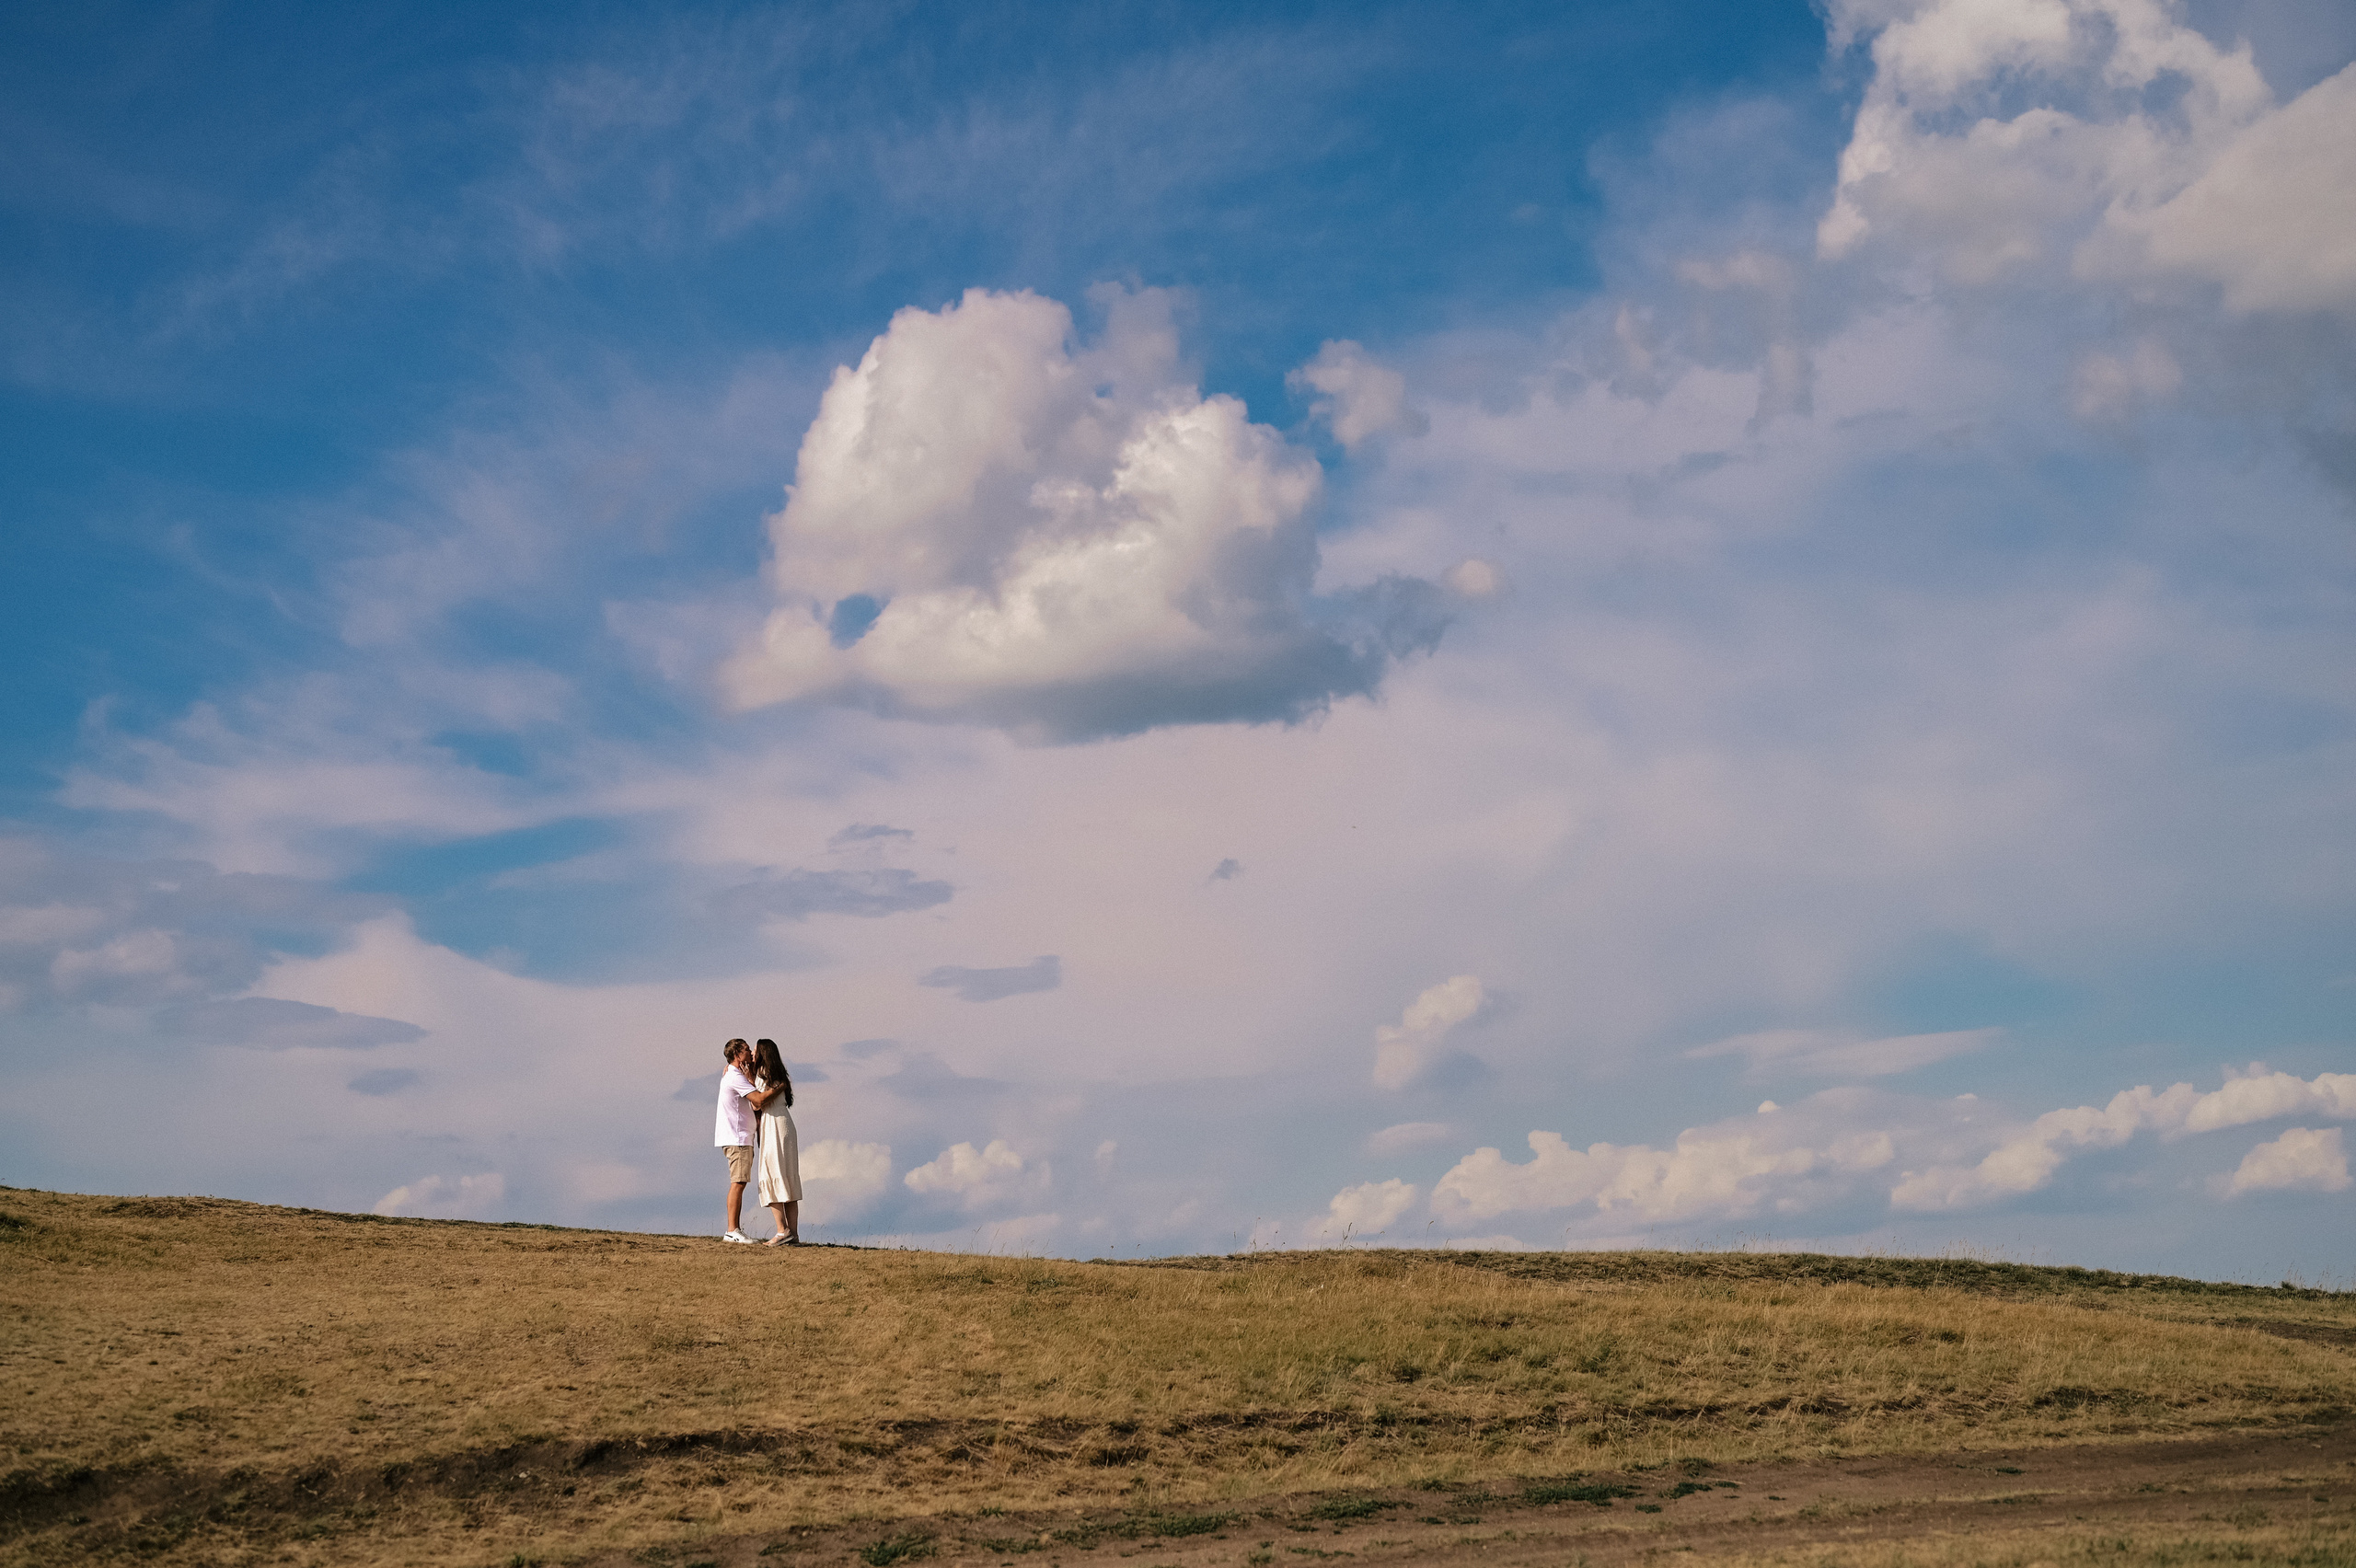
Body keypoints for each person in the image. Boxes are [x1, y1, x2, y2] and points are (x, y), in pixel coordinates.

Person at [746, 1037, 803, 1246]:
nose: (752, 1054)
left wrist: (750, 1080)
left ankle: (782, 1230)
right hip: (785, 1123)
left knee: (771, 1172)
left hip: (773, 1125)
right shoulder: (779, 1075)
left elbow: (757, 1105)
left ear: (762, 1053)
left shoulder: (763, 1076)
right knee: (787, 1176)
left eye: (754, 1050)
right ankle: (793, 1234)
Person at [713, 1038, 759, 1244]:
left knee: (739, 1182)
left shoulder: (733, 1075)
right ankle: (732, 1230)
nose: (750, 1053)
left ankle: (733, 1229)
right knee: (738, 1183)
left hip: (739, 1136)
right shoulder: (735, 1077)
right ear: (737, 1054)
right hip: (737, 1137)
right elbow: (757, 1099)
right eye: (747, 1050)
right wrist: (778, 1089)